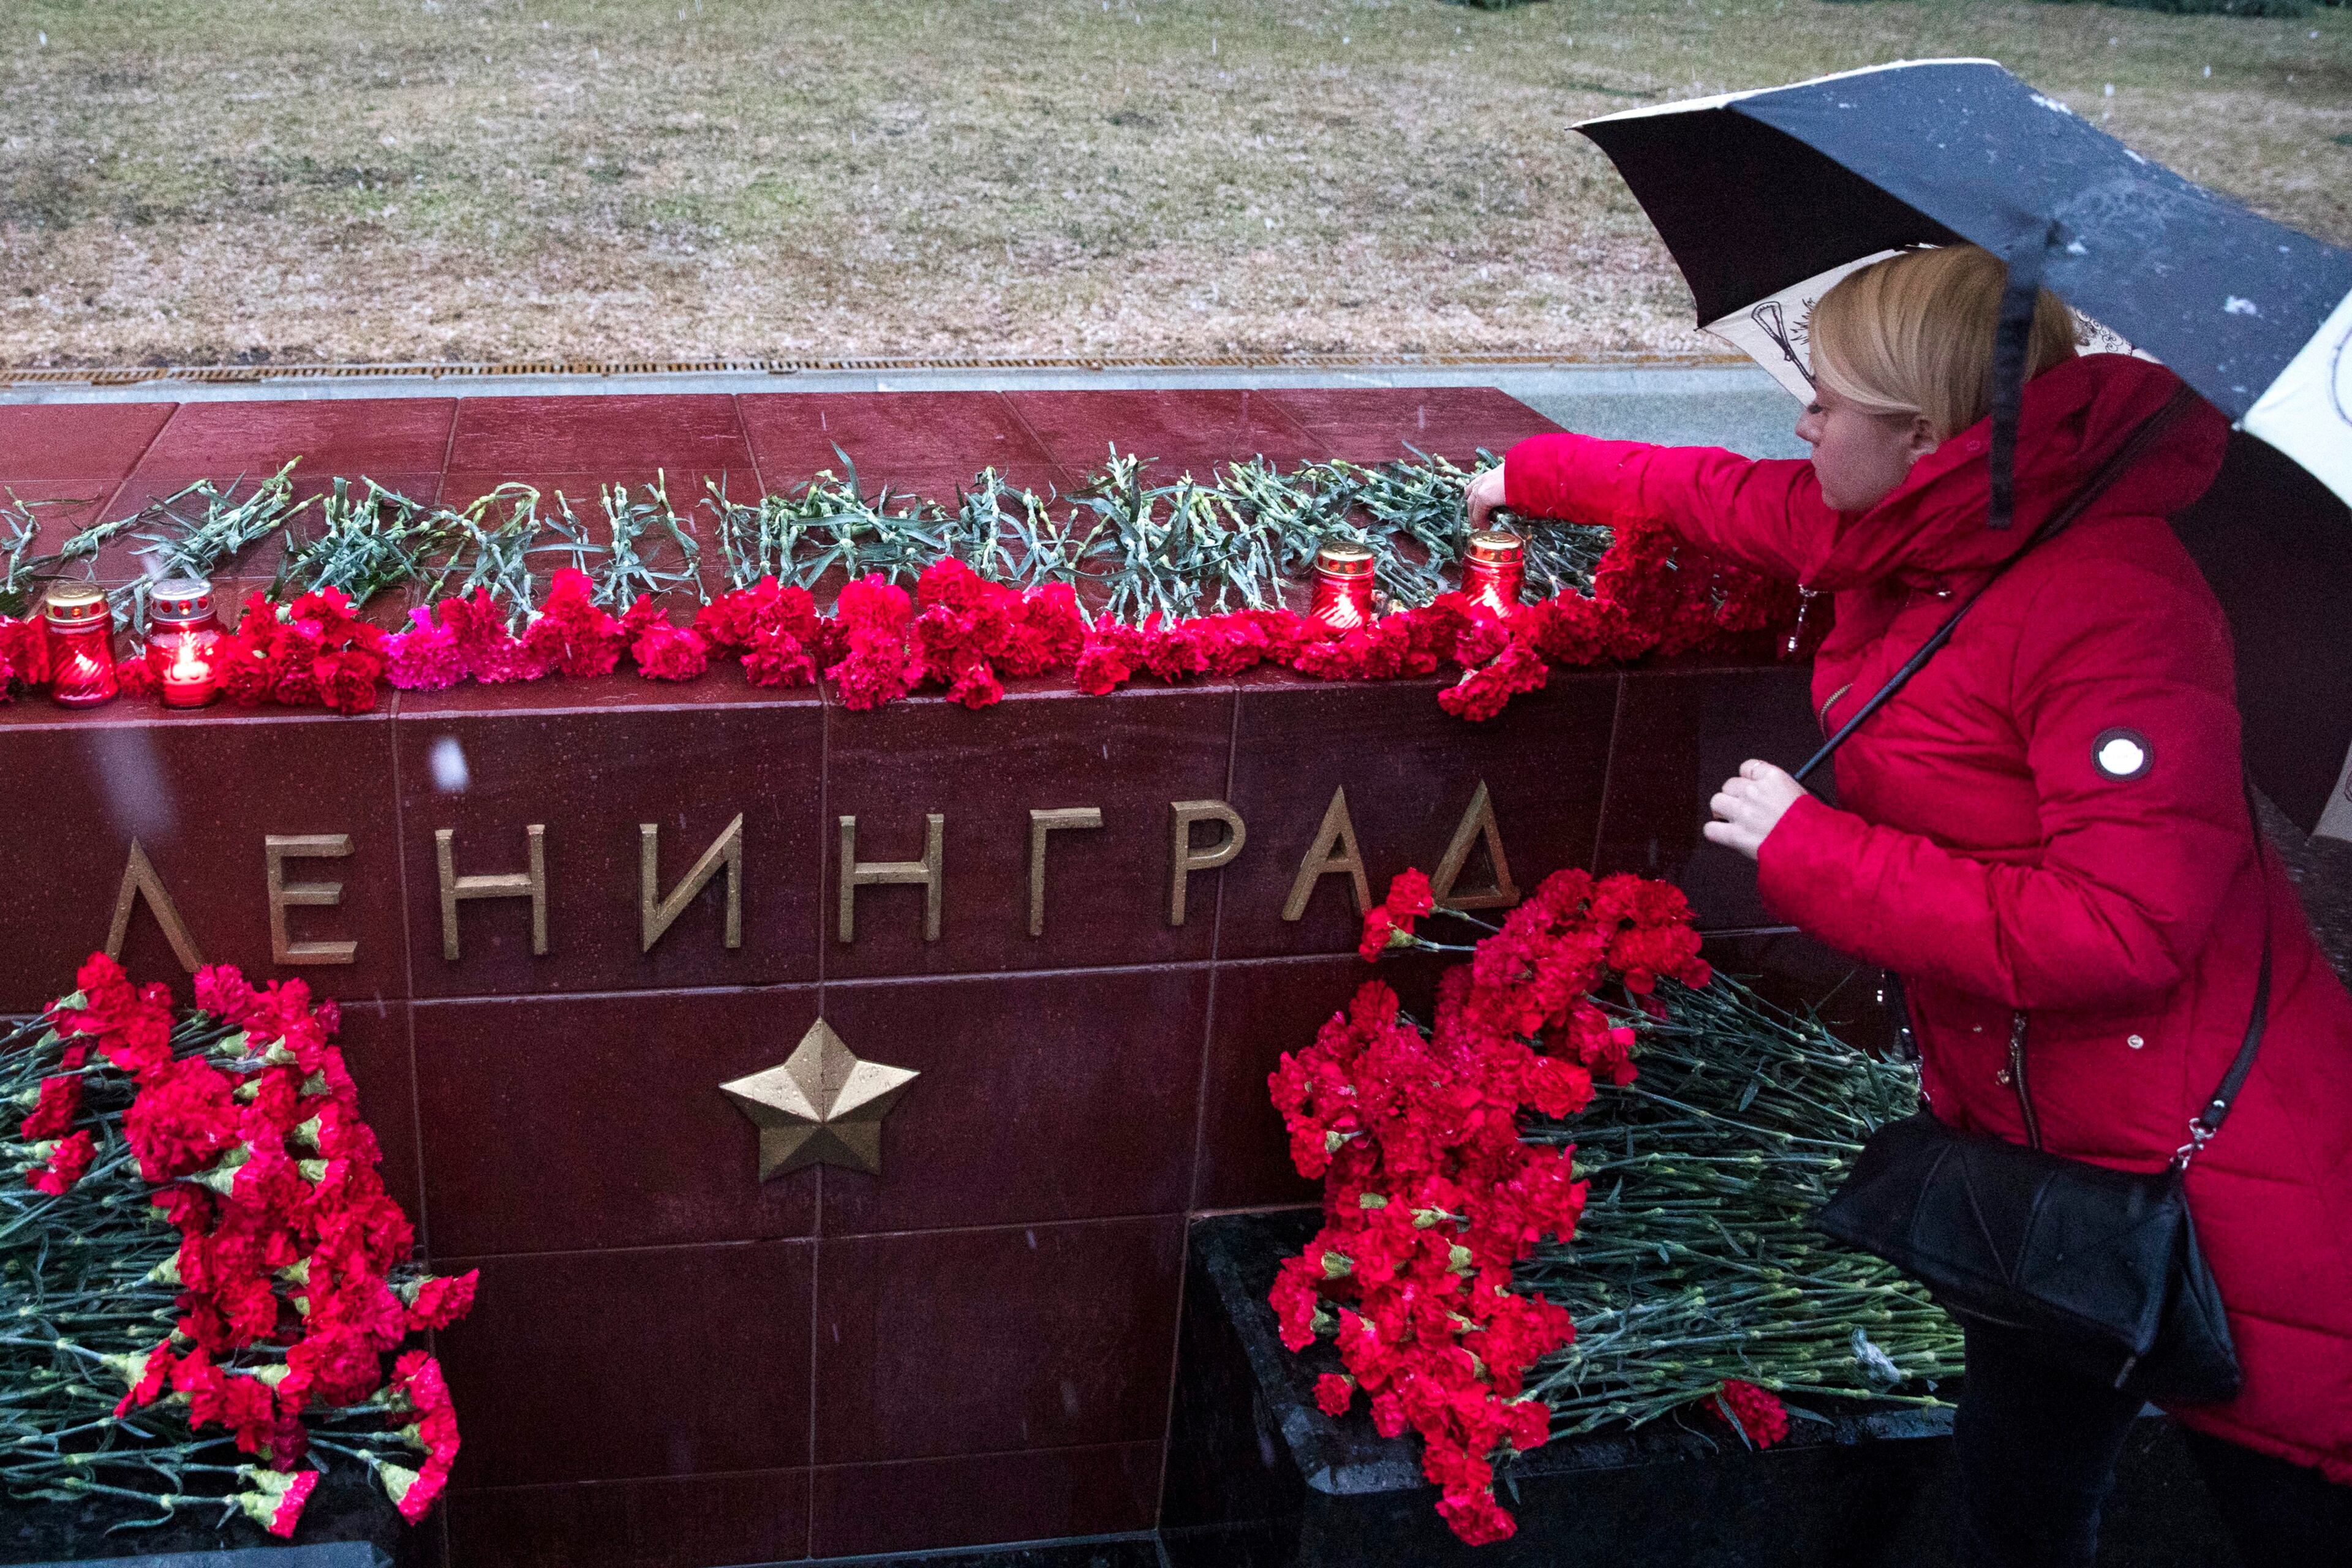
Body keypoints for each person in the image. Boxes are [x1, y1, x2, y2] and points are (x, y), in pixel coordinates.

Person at [1468, 244, 2352, 1567]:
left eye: (1827, 400)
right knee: (2020, 1489)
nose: (1802, 420)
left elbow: (2124, 927)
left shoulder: (2119, 610)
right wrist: (1524, 476)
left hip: (2219, 1182)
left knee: (2288, 1509)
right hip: (2039, 1157)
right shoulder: (1905, 522)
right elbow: (1711, 490)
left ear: (1926, 435)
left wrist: (1813, 850)